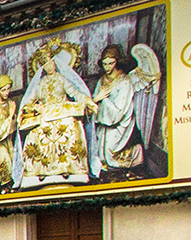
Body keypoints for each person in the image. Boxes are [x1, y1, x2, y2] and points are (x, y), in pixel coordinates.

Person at [17, 40, 94, 187]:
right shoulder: (40, 83)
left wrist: (87, 101)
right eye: (45, 64)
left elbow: (75, 92)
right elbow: (29, 102)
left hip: (63, 113)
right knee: (36, 133)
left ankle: (68, 168)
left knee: (71, 127)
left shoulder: (61, 79)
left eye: (50, 62)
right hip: (45, 115)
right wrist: (34, 108)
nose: (48, 66)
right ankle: (39, 171)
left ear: (54, 62)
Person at [88, 44, 143, 178]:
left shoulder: (125, 81)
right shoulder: (102, 80)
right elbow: (95, 101)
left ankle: (137, 152)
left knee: (110, 155)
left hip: (119, 122)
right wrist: (97, 99)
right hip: (103, 122)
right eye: (104, 64)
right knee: (100, 156)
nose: (107, 67)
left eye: (111, 63)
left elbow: (120, 110)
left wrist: (104, 100)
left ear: (117, 62)